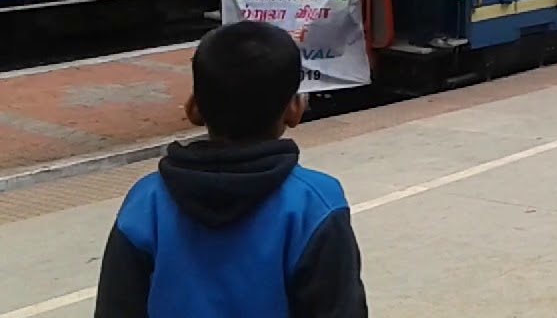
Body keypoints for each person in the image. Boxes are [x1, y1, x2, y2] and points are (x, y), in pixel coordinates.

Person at [94, 22, 367, 317]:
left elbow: (115, 309)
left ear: (193, 109)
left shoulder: (145, 203)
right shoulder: (316, 205)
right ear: (294, 109)